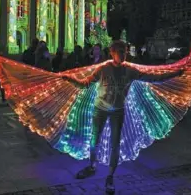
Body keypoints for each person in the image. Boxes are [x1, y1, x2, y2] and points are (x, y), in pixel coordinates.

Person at [63, 41, 183, 193]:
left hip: (118, 111)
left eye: (124, 51)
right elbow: (84, 84)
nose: (122, 54)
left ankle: (110, 177)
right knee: (94, 140)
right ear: (112, 53)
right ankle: (92, 166)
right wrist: (69, 79)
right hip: (100, 109)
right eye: (119, 51)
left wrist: (175, 74)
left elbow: (153, 78)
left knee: (115, 144)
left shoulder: (130, 70)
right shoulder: (103, 69)